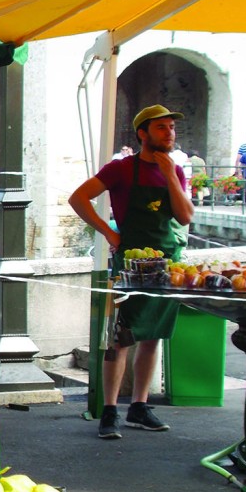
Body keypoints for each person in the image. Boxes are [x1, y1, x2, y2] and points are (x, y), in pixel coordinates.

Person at [68, 104, 194, 439]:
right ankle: (110, 410)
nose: (170, 133)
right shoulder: (121, 169)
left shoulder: (176, 172)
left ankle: (139, 406)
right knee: (120, 337)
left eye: (171, 128)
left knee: (153, 336)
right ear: (143, 133)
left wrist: (170, 175)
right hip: (131, 262)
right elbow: (78, 198)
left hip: (167, 261)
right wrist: (108, 233)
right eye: (162, 128)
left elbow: (184, 217)